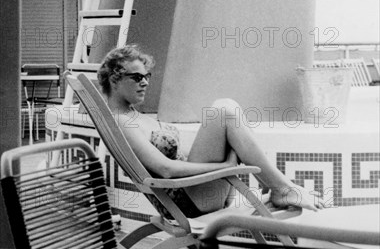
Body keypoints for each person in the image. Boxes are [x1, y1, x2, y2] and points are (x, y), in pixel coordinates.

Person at [97, 44, 324, 217]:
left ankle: (279, 186)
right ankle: (281, 188)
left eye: (147, 76)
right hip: (185, 202)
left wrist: (228, 148)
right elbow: (165, 169)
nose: (145, 82)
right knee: (223, 109)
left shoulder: (135, 116)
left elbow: (177, 155)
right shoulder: (121, 122)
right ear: (115, 81)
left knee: (227, 107)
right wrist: (223, 167)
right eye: (137, 77)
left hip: (198, 192)